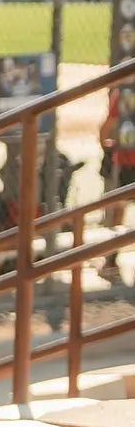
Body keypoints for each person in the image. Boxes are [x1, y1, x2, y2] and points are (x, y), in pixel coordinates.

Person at [98, 83, 135, 282]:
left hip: (126, 162)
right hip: (126, 161)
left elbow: (107, 127)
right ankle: (111, 260)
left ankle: (111, 260)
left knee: (118, 211)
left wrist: (107, 149)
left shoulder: (124, 92)